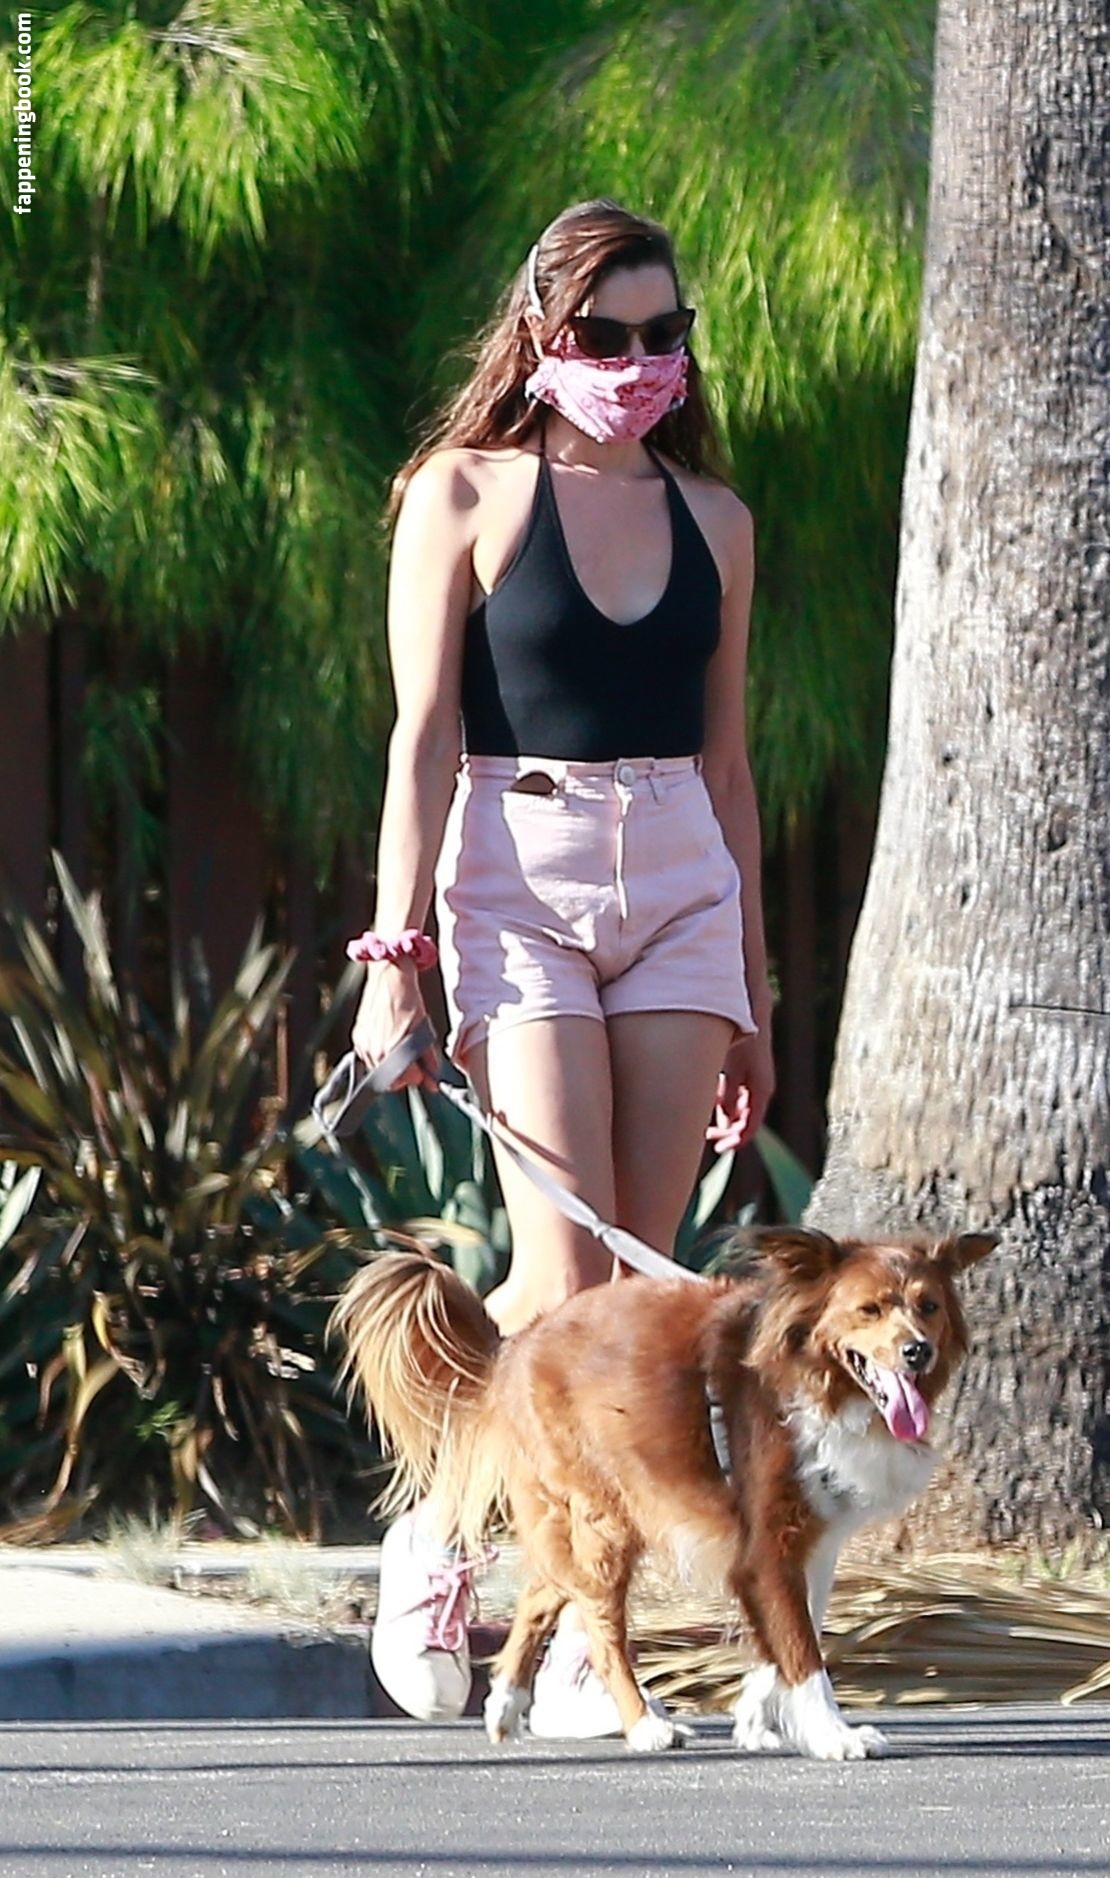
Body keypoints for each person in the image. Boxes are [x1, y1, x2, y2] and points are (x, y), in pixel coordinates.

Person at [348, 197, 775, 1734]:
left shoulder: (714, 520)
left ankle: (591, 1636)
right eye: (607, 336)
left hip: (678, 880)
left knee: (637, 1295)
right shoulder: (461, 493)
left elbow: (729, 764)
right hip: (515, 873)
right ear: (540, 335)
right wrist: (395, 956)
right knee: (562, 1276)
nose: (639, 361)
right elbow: (421, 738)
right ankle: (440, 1529)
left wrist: (753, 993)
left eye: (665, 336)